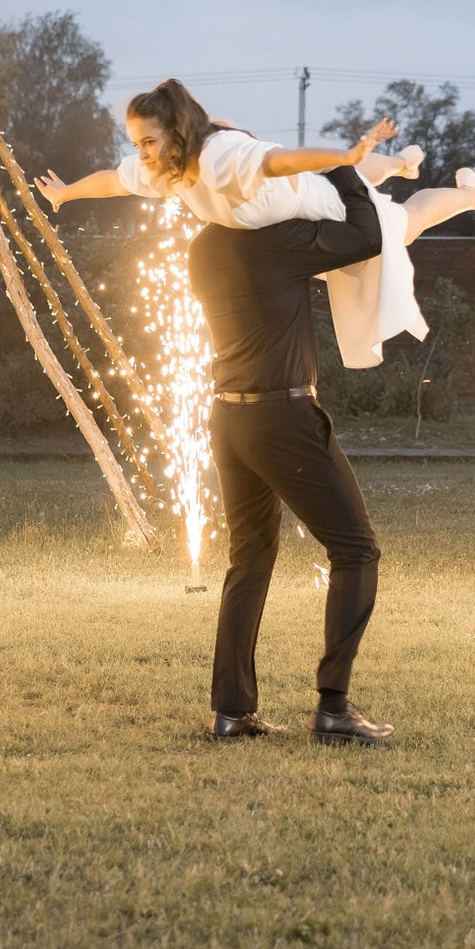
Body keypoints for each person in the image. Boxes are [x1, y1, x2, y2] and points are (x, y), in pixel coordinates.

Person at [38, 78, 475, 369]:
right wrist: (65, 193)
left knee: (404, 223)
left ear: (176, 135)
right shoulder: (163, 167)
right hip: (295, 211)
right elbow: (114, 181)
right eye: (136, 143)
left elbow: (283, 160)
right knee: (356, 179)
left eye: (147, 142)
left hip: (320, 208)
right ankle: (399, 162)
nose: (140, 154)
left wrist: (345, 154)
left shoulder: (222, 159)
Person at [183, 161, 395, 745]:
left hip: (227, 417)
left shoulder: (202, 246)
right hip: (283, 416)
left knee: (248, 559)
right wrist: (342, 168)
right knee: (357, 550)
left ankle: (231, 712)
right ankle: (333, 709)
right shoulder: (276, 241)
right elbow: (369, 232)